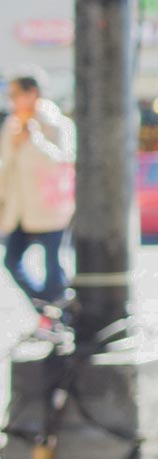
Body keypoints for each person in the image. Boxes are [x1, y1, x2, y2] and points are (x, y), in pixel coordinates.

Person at [1, 72, 77, 338]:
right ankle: (50, 313)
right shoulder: (12, 124)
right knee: (12, 261)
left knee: (53, 266)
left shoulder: (56, 123)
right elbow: (4, 168)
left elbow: (61, 162)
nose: (11, 101)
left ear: (31, 93)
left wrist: (34, 139)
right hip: (21, 210)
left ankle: (57, 319)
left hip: (50, 209)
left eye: (14, 94)